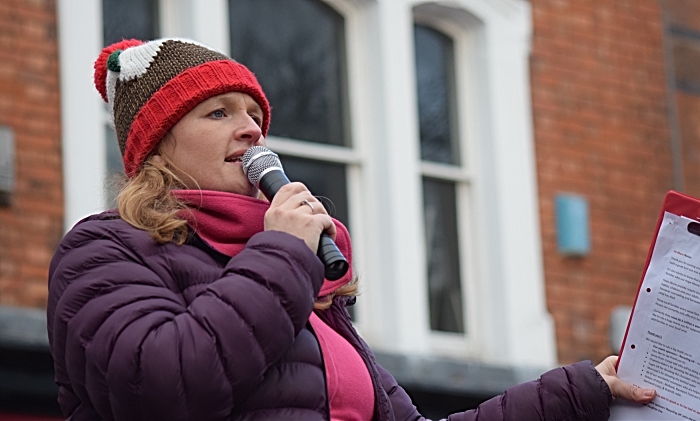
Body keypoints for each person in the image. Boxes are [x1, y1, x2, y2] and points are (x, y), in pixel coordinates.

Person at [47, 37, 655, 421]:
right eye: (219, 113)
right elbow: (159, 387)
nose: (253, 130)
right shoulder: (104, 251)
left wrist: (577, 392)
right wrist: (282, 251)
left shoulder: (297, 285)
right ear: (157, 145)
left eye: (257, 116)